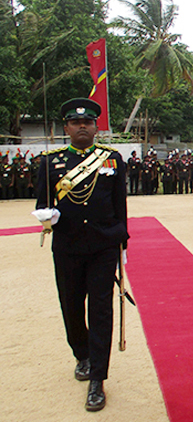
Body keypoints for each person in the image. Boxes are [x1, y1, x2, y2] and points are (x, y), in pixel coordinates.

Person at [34, 98, 128, 412]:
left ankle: (97, 379)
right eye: (76, 123)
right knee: (72, 305)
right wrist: (47, 217)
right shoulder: (50, 162)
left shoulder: (112, 159)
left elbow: (120, 206)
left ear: (96, 126)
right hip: (68, 246)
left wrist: (122, 243)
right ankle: (82, 355)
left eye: (88, 122)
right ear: (66, 127)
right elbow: (41, 206)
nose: (82, 126)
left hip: (103, 247)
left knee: (100, 310)